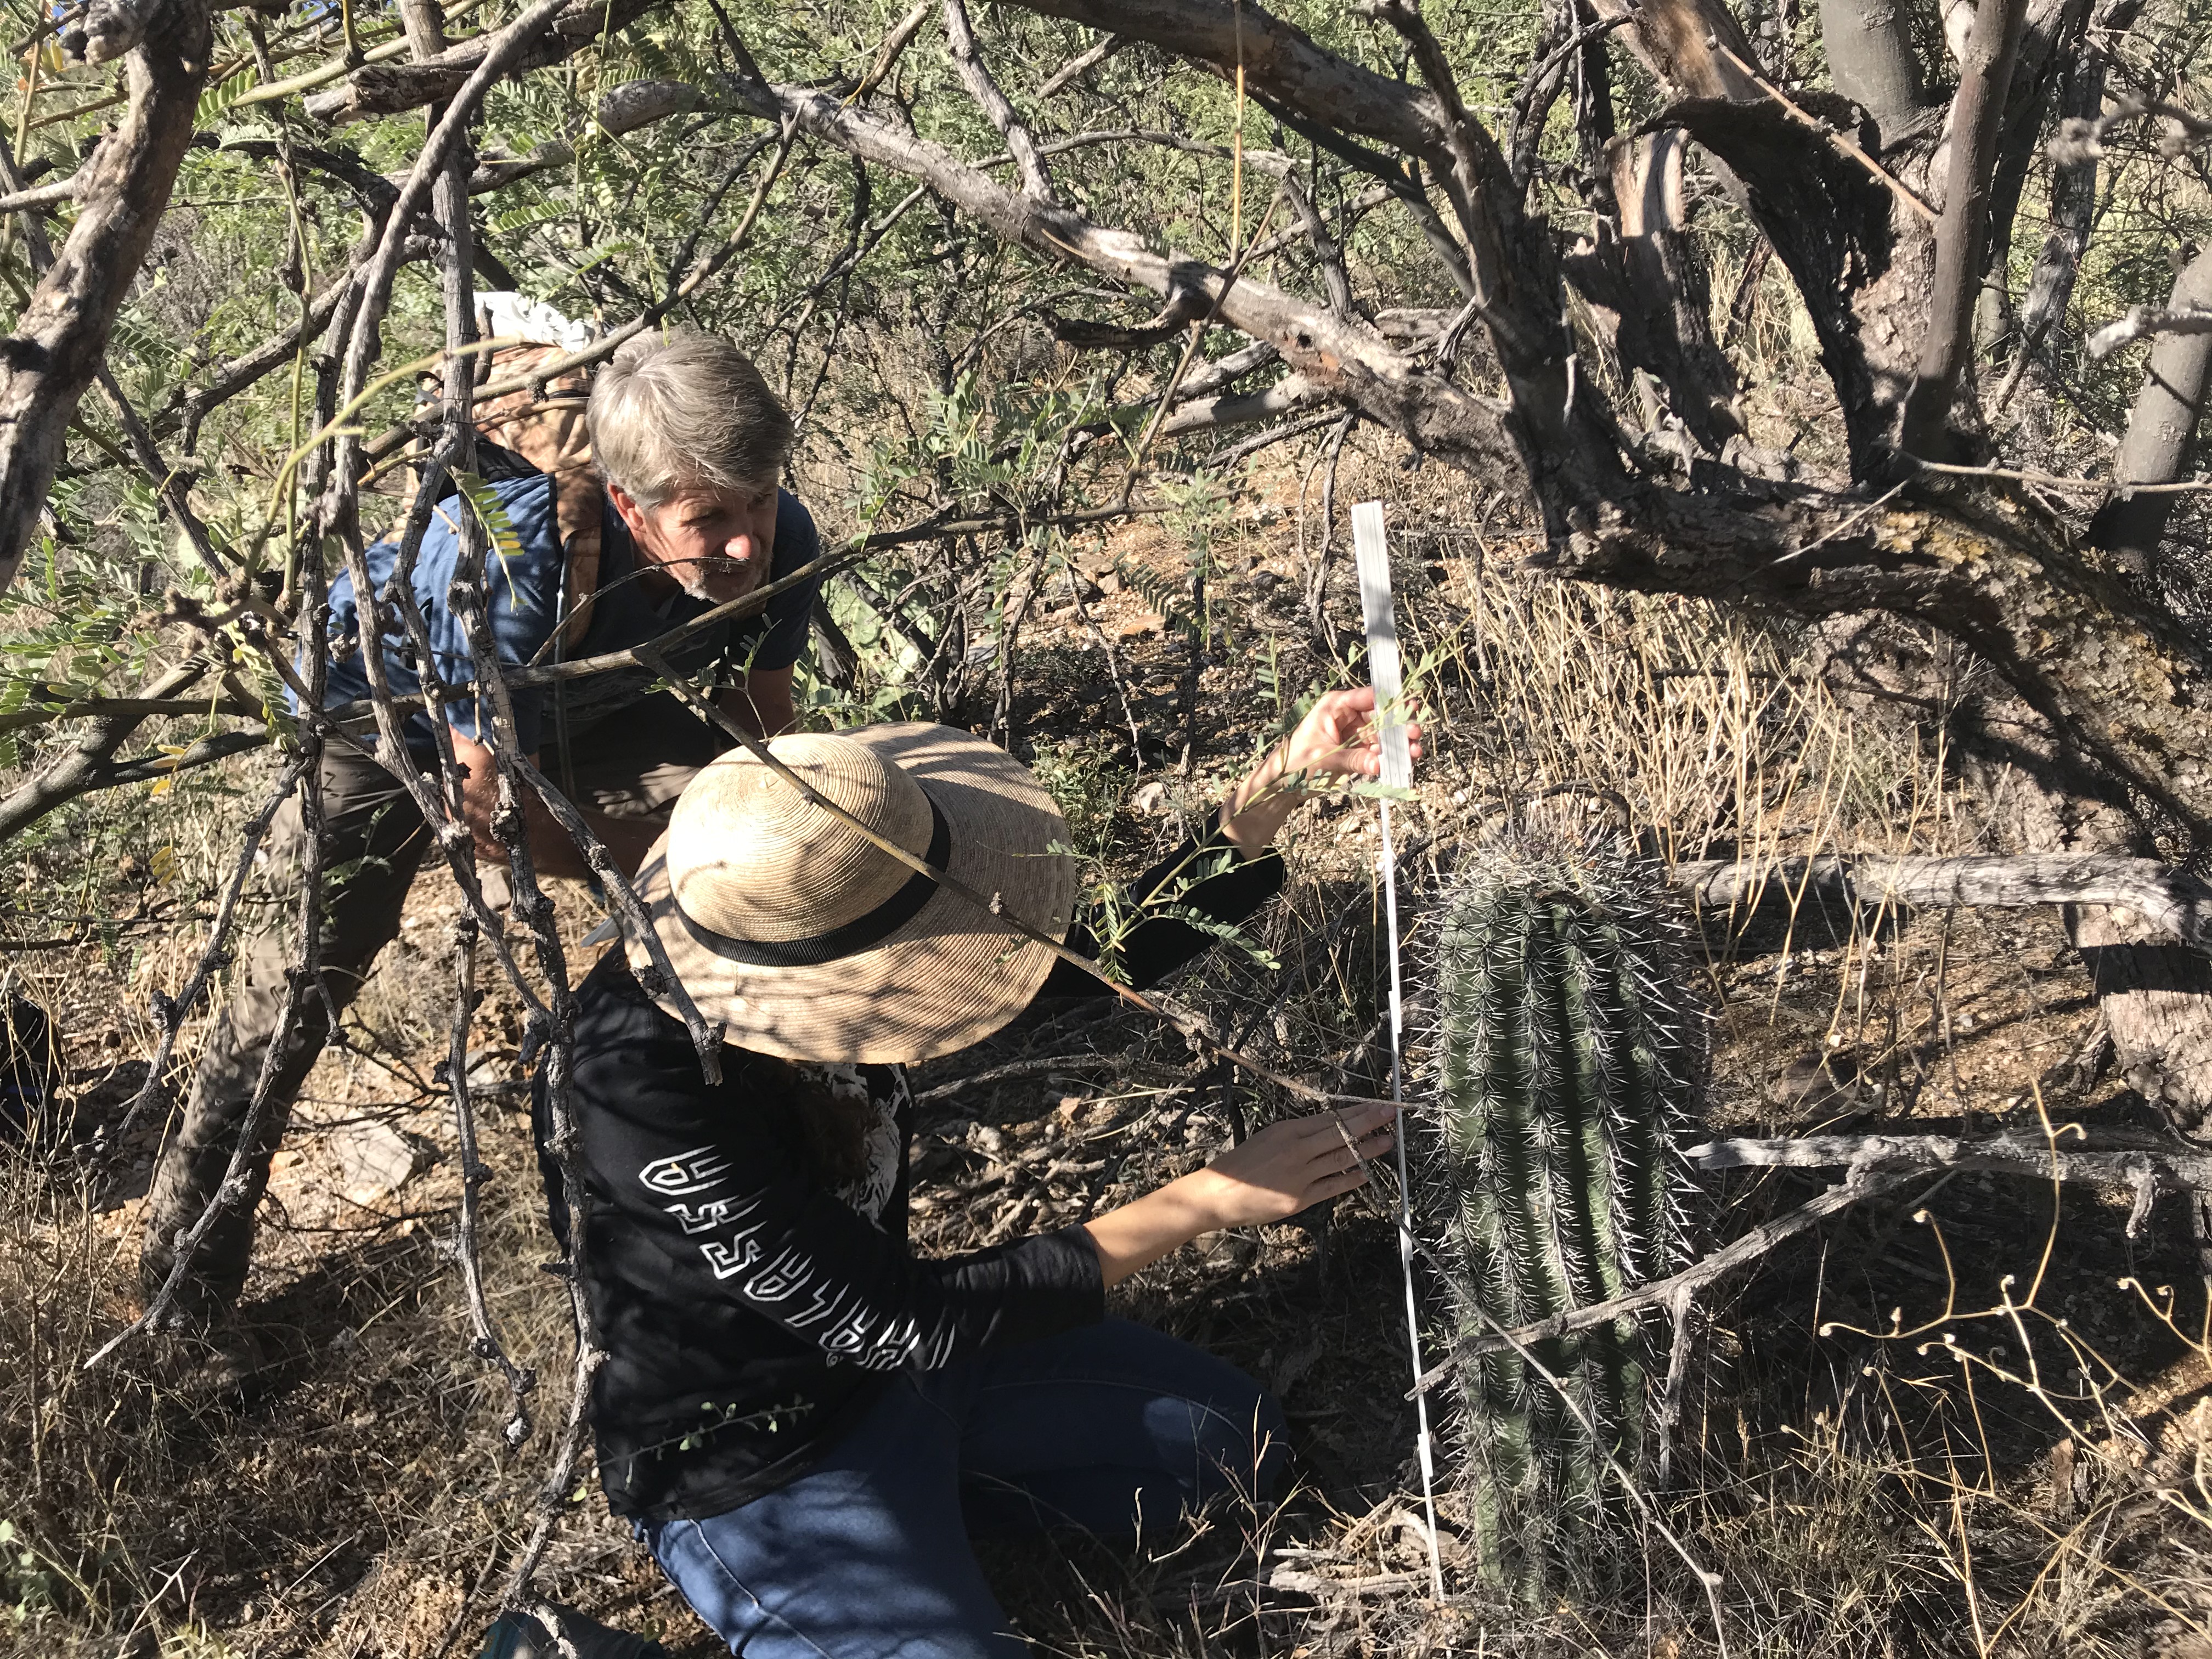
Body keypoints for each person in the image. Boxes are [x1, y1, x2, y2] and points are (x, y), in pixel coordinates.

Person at [538, 687, 1417, 1658]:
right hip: (757, 1463)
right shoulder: (635, 1086)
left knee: (1230, 1444)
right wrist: (1203, 1201)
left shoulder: (819, 912)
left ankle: (915, 1540)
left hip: (913, 1380)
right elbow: (890, 1315)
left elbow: (1079, 971)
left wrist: (1272, 794)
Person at [141, 329, 827, 1328]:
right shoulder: (512, 572)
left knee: (756, 855)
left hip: (574, 694)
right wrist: (659, 880)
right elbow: (494, 816)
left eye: (758, 502)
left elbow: (769, 723)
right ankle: (181, 1293)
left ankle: (770, 1137)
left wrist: (760, 844)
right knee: (292, 996)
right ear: (631, 508)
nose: (743, 543)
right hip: (380, 719)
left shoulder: (780, 541)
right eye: (708, 517)